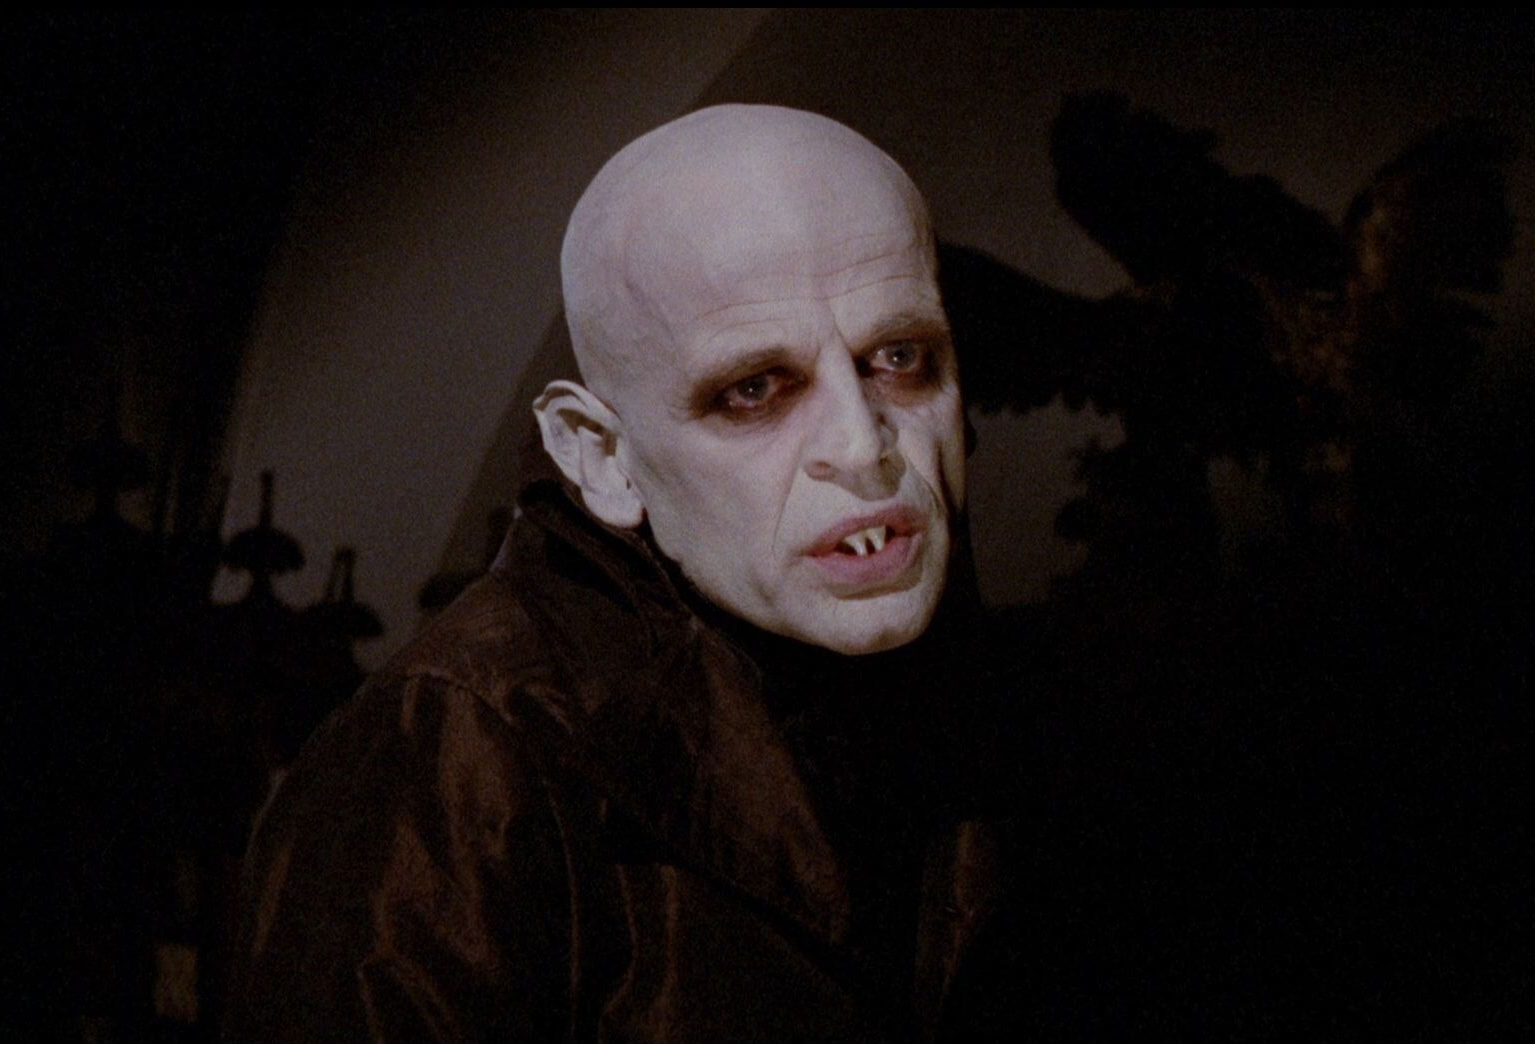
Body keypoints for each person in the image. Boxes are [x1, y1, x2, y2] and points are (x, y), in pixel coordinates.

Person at [221, 105, 999, 1042]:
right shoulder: (454, 756)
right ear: (600, 456)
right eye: (754, 389)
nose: (863, 441)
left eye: (901, 358)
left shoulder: (998, 695)